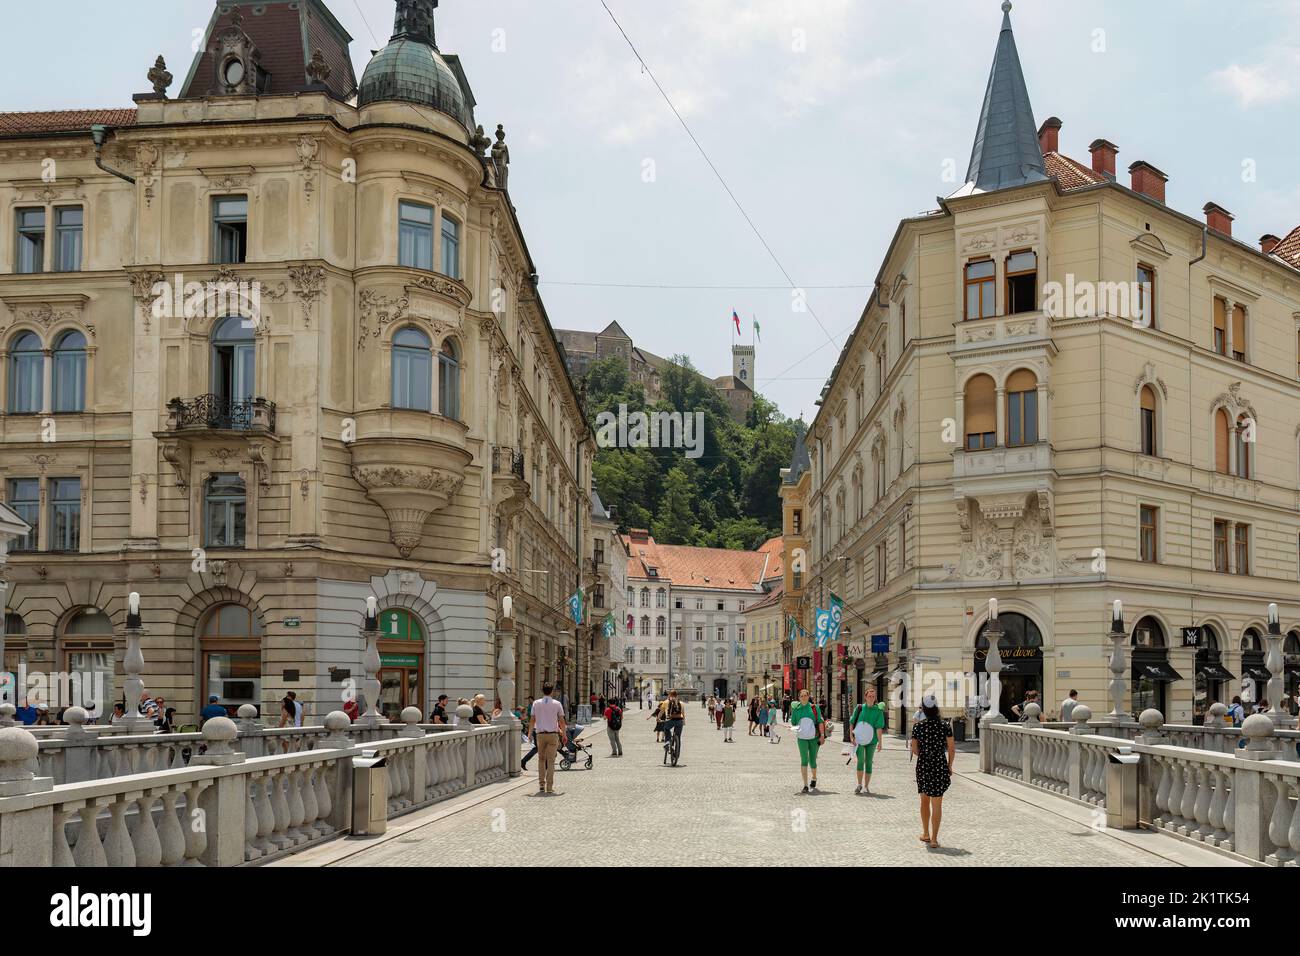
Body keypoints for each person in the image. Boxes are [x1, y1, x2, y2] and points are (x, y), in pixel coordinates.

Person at [911, 693, 955, 850]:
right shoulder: (945, 726)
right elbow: (951, 748)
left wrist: (924, 754)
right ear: (936, 708)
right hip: (939, 765)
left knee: (924, 801)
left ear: (923, 708)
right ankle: (935, 839)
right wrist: (949, 765)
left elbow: (914, 749)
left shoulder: (918, 727)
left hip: (923, 765)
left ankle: (925, 833)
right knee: (937, 804)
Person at [527, 682, 567, 796]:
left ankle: (541, 784)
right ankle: (549, 787)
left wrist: (529, 733)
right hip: (553, 734)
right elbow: (562, 721)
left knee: (541, 760)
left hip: (540, 735)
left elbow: (532, 720)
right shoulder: (557, 703)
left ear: (542, 690)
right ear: (552, 691)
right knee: (551, 761)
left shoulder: (536, 703)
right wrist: (564, 734)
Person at [850, 686, 887, 794]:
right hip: (859, 740)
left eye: (873, 696)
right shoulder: (860, 708)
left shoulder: (878, 711)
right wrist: (851, 736)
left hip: (872, 741)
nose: (871, 698)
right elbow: (852, 722)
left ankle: (866, 786)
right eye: (869, 696)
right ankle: (859, 784)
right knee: (860, 761)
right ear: (865, 697)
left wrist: (880, 742)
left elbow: (879, 727)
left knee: (869, 762)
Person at [789, 688, 824, 792]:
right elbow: (794, 723)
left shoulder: (814, 708)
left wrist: (822, 735)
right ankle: (805, 785)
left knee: (812, 761)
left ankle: (814, 777)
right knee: (804, 760)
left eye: (805, 695)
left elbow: (820, 721)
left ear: (808, 697)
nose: (804, 697)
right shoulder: (796, 709)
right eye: (802, 696)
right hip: (802, 738)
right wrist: (792, 727)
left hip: (814, 738)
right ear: (799, 698)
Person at [662, 689, 686, 760]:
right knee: (678, 737)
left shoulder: (667, 701)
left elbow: (664, 711)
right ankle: (676, 755)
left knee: (666, 728)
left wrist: (659, 718)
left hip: (670, 720)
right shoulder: (681, 703)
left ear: (669, 695)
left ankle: (667, 742)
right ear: (677, 695)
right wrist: (683, 721)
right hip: (679, 720)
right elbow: (683, 713)